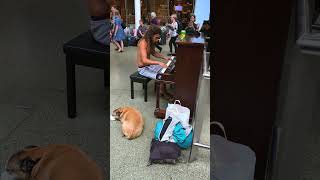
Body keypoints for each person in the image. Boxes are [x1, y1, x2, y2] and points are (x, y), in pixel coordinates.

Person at [136, 25, 171, 95]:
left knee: (165, 70)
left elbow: (154, 53)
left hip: (148, 66)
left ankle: (162, 90)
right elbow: (144, 60)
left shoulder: (150, 41)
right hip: (143, 69)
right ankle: (162, 92)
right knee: (161, 76)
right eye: (157, 38)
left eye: (159, 38)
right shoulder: (143, 43)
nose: (158, 39)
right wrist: (158, 62)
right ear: (151, 35)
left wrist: (164, 57)